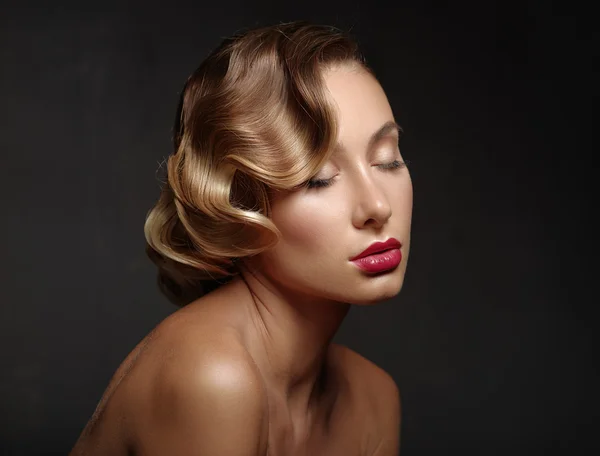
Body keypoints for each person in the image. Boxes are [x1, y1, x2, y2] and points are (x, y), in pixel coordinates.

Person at [69, 20, 413, 456]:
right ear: (238, 203)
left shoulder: (374, 398)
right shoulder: (213, 377)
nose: (377, 207)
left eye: (386, 161)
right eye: (318, 179)